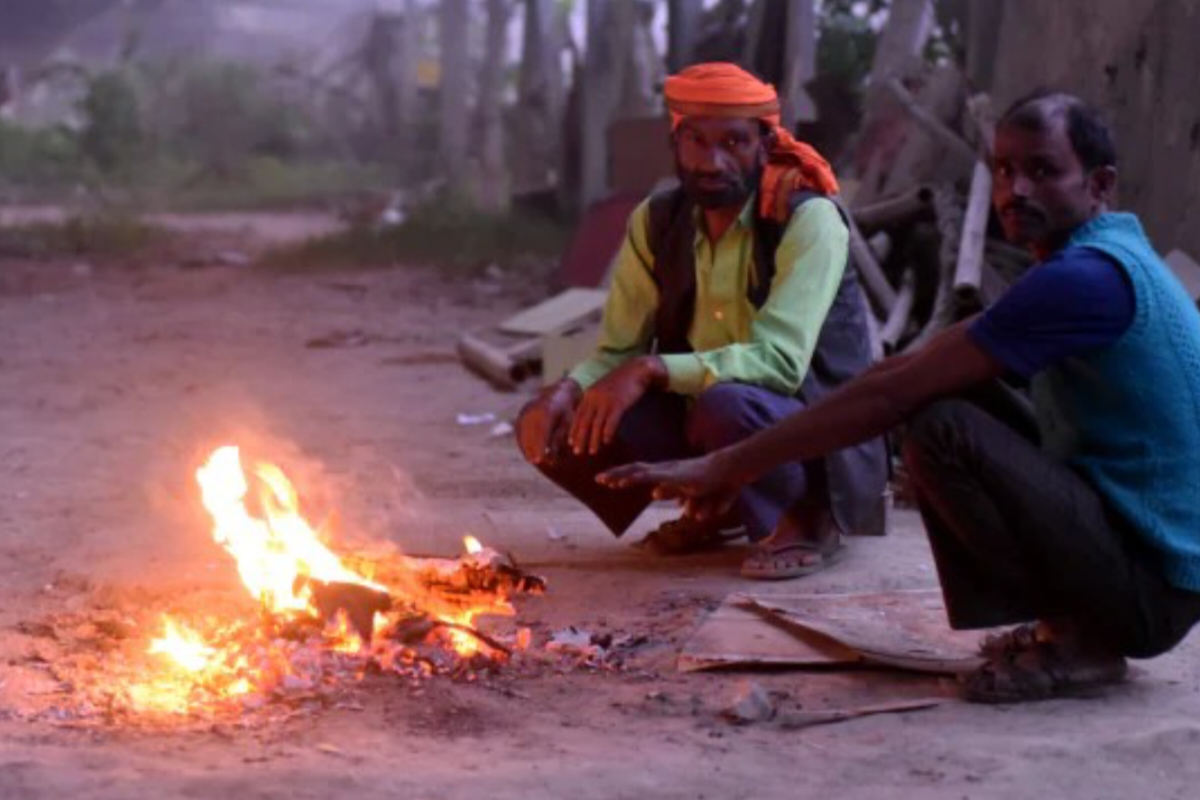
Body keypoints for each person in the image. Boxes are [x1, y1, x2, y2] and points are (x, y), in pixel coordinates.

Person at [600, 90, 1200, 703]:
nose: (1015, 191)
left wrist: (723, 464)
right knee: (954, 395)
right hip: (1150, 563)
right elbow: (918, 367)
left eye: (1042, 171)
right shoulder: (1099, 257)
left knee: (939, 427)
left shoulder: (1087, 278)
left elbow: (894, 390)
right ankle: (1065, 622)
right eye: (1003, 170)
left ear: (1099, 186)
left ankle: (1082, 642)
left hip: (1152, 591)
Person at [515, 63, 888, 579]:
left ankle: (805, 518)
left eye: (733, 142)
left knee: (725, 404)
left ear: (765, 143)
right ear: (676, 141)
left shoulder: (808, 219)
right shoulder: (656, 220)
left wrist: (654, 370)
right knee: (563, 420)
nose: (712, 162)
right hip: (712, 416)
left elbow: (780, 364)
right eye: (696, 141)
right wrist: (567, 390)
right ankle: (729, 507)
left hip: (816, 428)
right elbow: (618, 351)